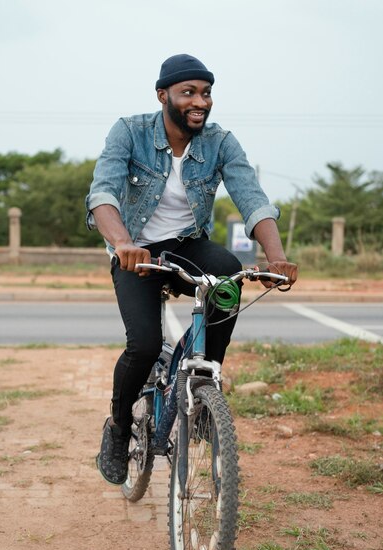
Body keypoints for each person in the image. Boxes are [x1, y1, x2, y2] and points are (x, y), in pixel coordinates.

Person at [86, 53, 298, 485]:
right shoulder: (130, 132)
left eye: (206, 93)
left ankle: (205, 387)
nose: (200, 101)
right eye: (188, 93)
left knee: (226, 274)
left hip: (187, 246)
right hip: (138, 252)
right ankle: (119, 427)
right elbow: (102, 193)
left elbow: (252, 198)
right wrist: (123, 244)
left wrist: (276, 256)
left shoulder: (220, 142)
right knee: (143, 345)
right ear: (163, 95)